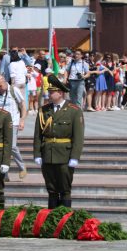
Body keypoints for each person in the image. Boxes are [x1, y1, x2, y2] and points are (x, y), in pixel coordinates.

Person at [34, 75, 84, 209]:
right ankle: (51, 217)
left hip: (64, 155)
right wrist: (37, 153)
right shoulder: (43, 110)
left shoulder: (74, 111)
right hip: (48, 154)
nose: (49, 94)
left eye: (52, 92)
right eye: (49, 91)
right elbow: (38, 134)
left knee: (65, 188)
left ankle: (65, 218)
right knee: (51, 188)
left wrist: (75, 157)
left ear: (60, 93)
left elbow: (78, 137)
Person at [0, 74, 27, 179]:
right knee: (2, 148)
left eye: (0, 86)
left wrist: (22, 120)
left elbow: (22, 105)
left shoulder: (13, 90)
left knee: (12, 146)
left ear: (4, 81)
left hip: (13, 121)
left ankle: (22, 167)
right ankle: (5, 173)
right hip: (0, 123)